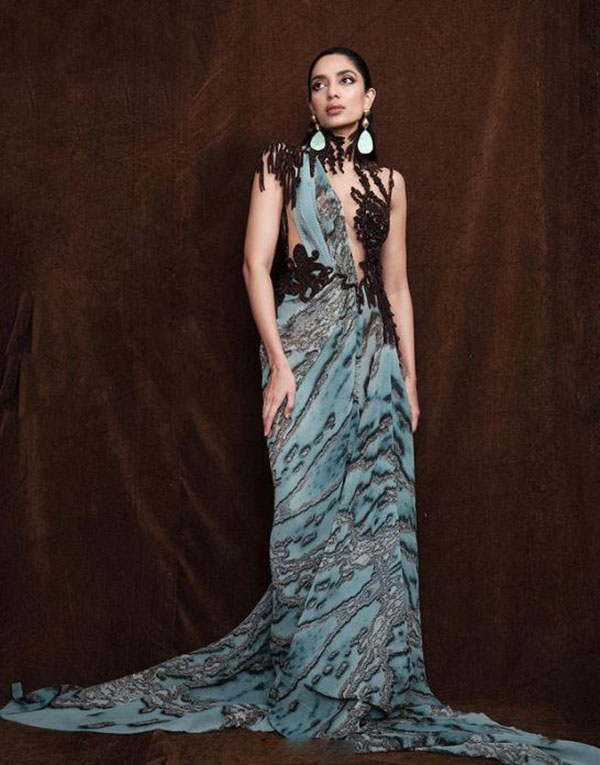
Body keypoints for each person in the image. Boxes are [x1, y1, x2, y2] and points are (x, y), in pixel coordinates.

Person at [1, 46, 598, 764]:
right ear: (310, 104)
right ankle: (310, 679)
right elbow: (255, 266)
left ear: (369, 98)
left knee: (378, 522)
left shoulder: (391, 184)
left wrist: (410, 380)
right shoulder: (280, 166)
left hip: (375, 363)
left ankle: (364, 681)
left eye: (346, 81)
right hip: (304, 355)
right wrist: (279, 366)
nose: (332, 92)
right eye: (319, 85)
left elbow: (397, 287)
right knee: (304, 521)